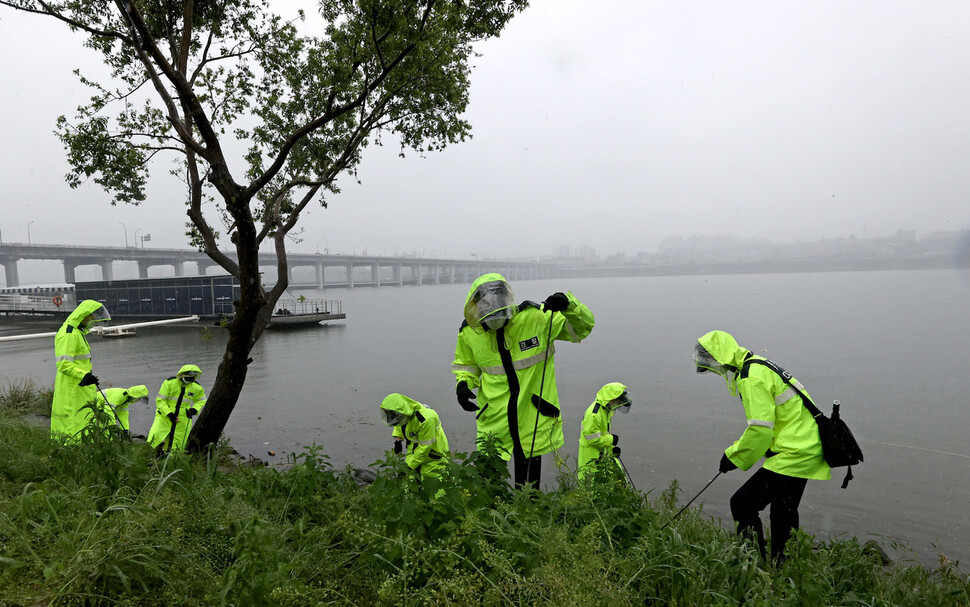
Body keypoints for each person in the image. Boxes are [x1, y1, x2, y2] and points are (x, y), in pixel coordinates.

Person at [693, 330, 830, 563]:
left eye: (713, 365)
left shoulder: (750, 377)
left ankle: (751, 564)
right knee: (783, 514)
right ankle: (784, 569)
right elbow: (771, 422)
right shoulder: (758, 364)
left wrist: (732, 457)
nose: (717, 371)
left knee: (742, 503)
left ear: (721, 358)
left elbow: (759, 430)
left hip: (794, 453)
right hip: (807, 446)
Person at [452, 273, 595, 489]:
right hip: (495, 418)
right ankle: (495, 516)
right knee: (490, 480)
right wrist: (463, 384)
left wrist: (569, 306)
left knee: (529, 482)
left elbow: (582, 329)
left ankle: (529, 511)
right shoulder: (470, 332)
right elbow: (466, 364)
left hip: (533, 414)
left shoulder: (535, 319)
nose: (494, 322)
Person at [51, 299, 112, 443]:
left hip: (81, 385)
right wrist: (84, 375)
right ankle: (71, 450)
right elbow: (63, 364)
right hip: (73, 387)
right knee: (72, 420)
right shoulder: (69, 334)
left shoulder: (77, 333)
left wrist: (86, 377)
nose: (93, 320)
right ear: (84, 315)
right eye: (91, 316)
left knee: (82, 418)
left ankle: (82, 449)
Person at [380, 393, 450, 481]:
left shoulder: (426, 419)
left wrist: (408, 467)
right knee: (410, 486)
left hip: (433, 456)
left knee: (437, 485)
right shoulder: (405, 411)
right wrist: (398, 440)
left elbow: (424, 448)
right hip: (414, 451)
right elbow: (399, 424)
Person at [577, 382, 632, 482]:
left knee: (616, 480)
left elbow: (602, 434)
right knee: (594, 484)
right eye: (618, 401)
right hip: (591, 455)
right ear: (611, 400)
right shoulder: (594, 414)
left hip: (599, 451)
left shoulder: (605, 410)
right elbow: (593, 440)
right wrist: (611, 439)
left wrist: (611, 450)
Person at [147, 365, 206, 453]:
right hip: (164, 415)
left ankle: (173, 461)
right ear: (181, 375)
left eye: (192, 379)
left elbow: (201, 400)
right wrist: (169, 414)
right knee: (155, 436)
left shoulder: (197, 387)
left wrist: (194, 409)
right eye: (188, 378)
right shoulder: (169, 383)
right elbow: (160, 400)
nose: (190, 381)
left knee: (179, 441)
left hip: (183, 417)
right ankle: (146, 455)